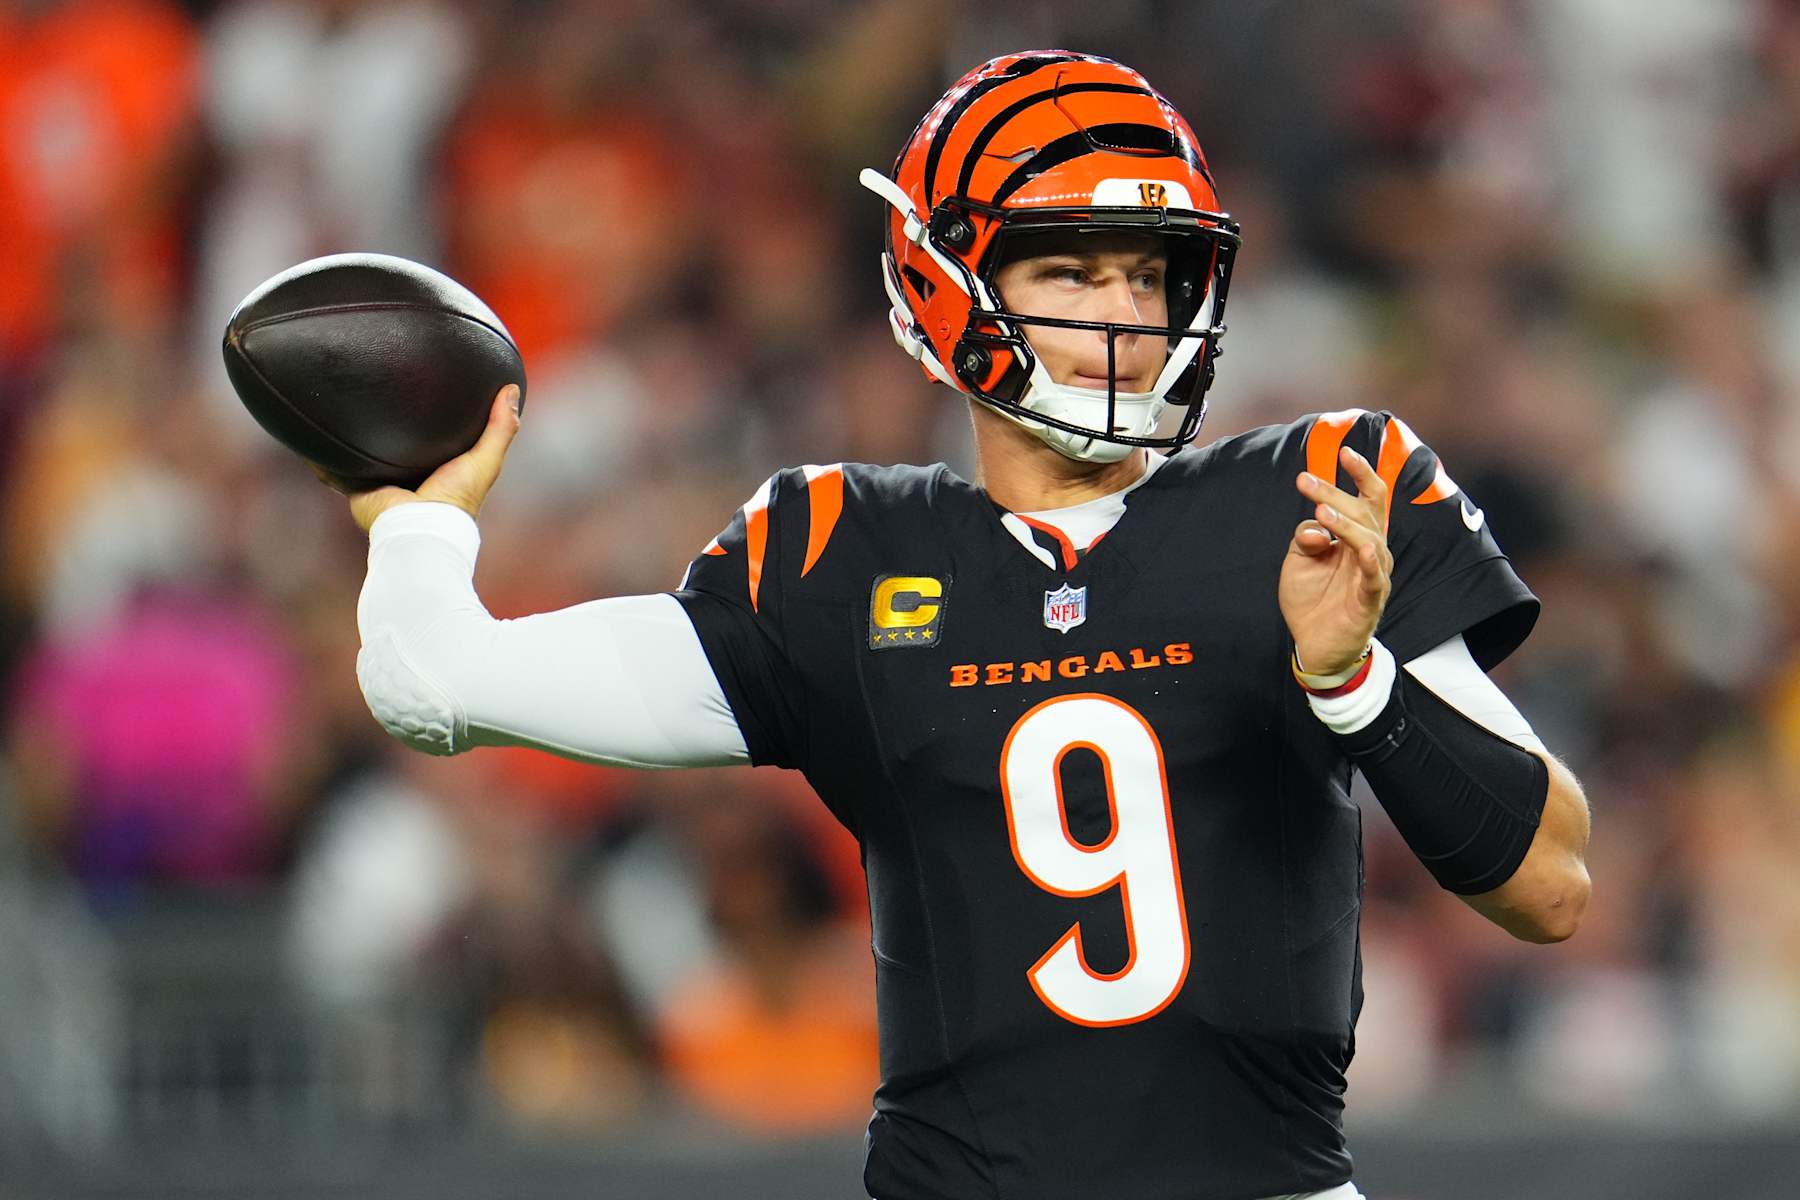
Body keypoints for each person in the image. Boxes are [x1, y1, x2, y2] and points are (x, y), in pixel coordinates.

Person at [344, 51, 1591, 1200]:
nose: (1124, 315)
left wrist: (1354, 680)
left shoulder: (1318, 500)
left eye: (1148, 273)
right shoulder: (838, 554)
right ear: (945, 284)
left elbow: (1550, 887)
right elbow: (436, 682)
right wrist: (419, 522)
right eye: (1070, 270)